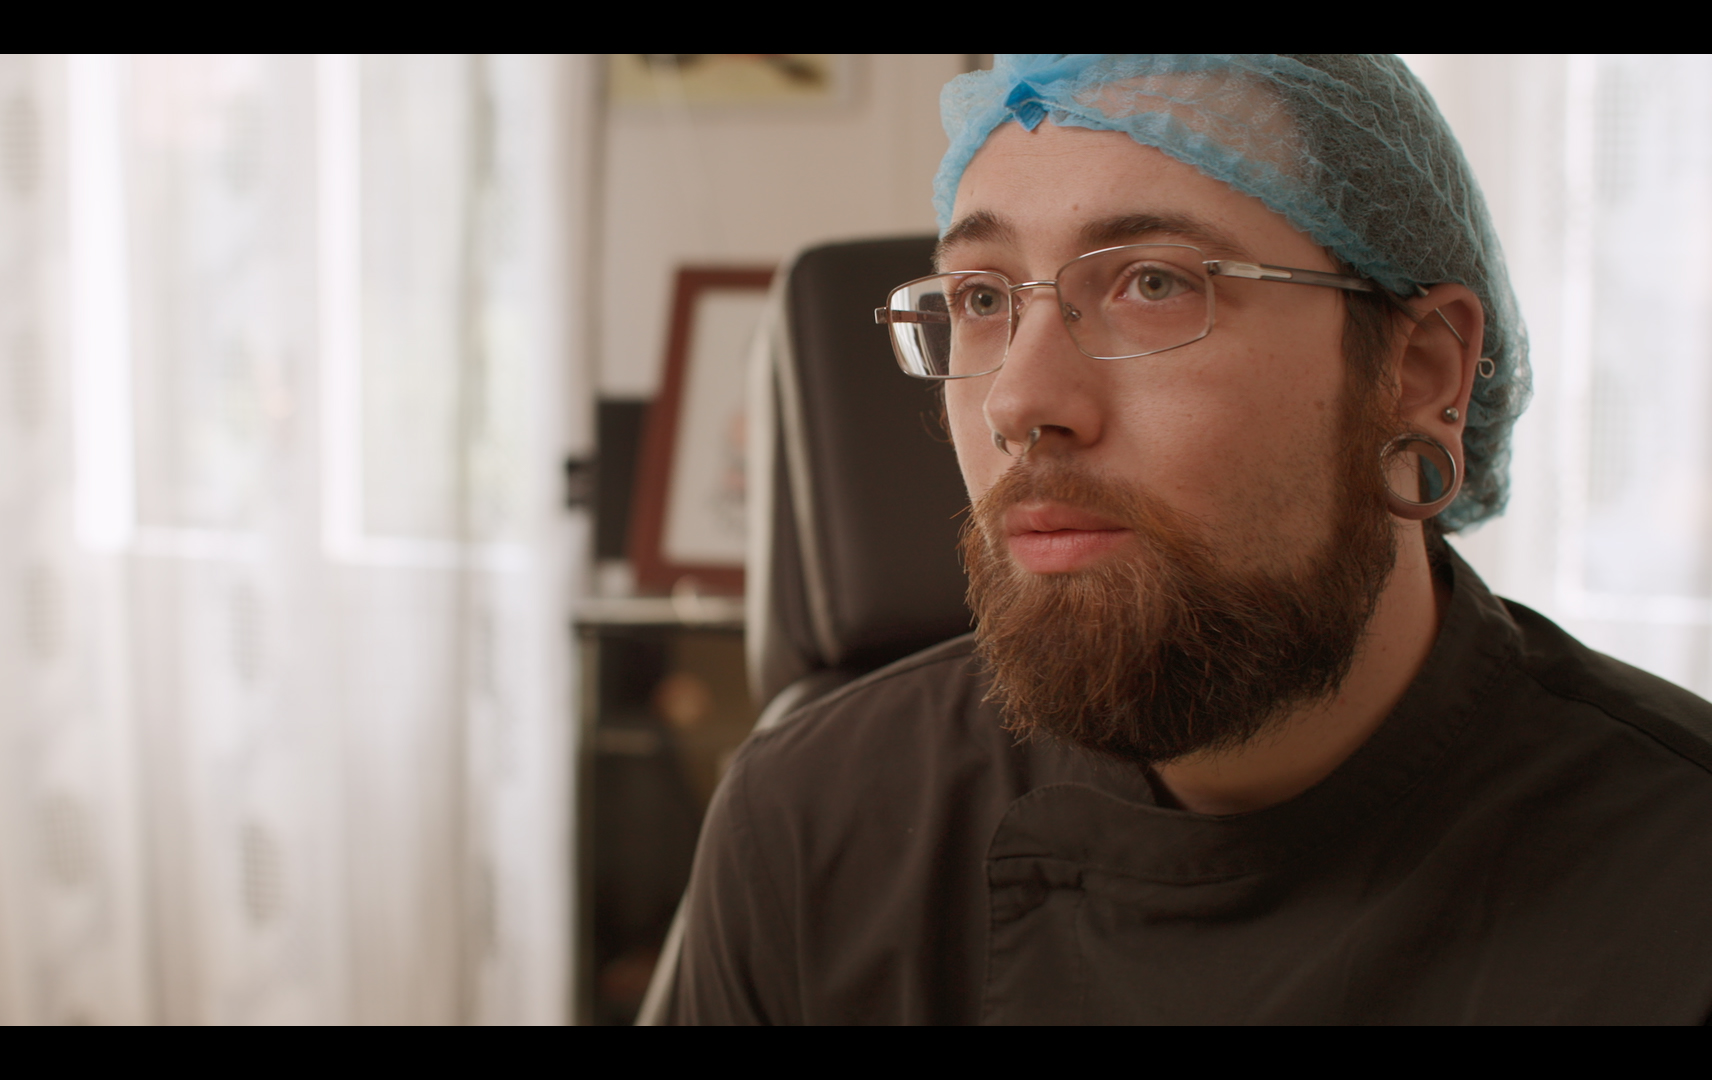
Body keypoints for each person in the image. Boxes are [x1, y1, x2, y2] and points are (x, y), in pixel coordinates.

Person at [667, 55, 1712, 1025]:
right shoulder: (809, 828)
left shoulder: (1680, 873)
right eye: (983, 298)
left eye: (1154, 283)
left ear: (1420, 373)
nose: (1018, 401)